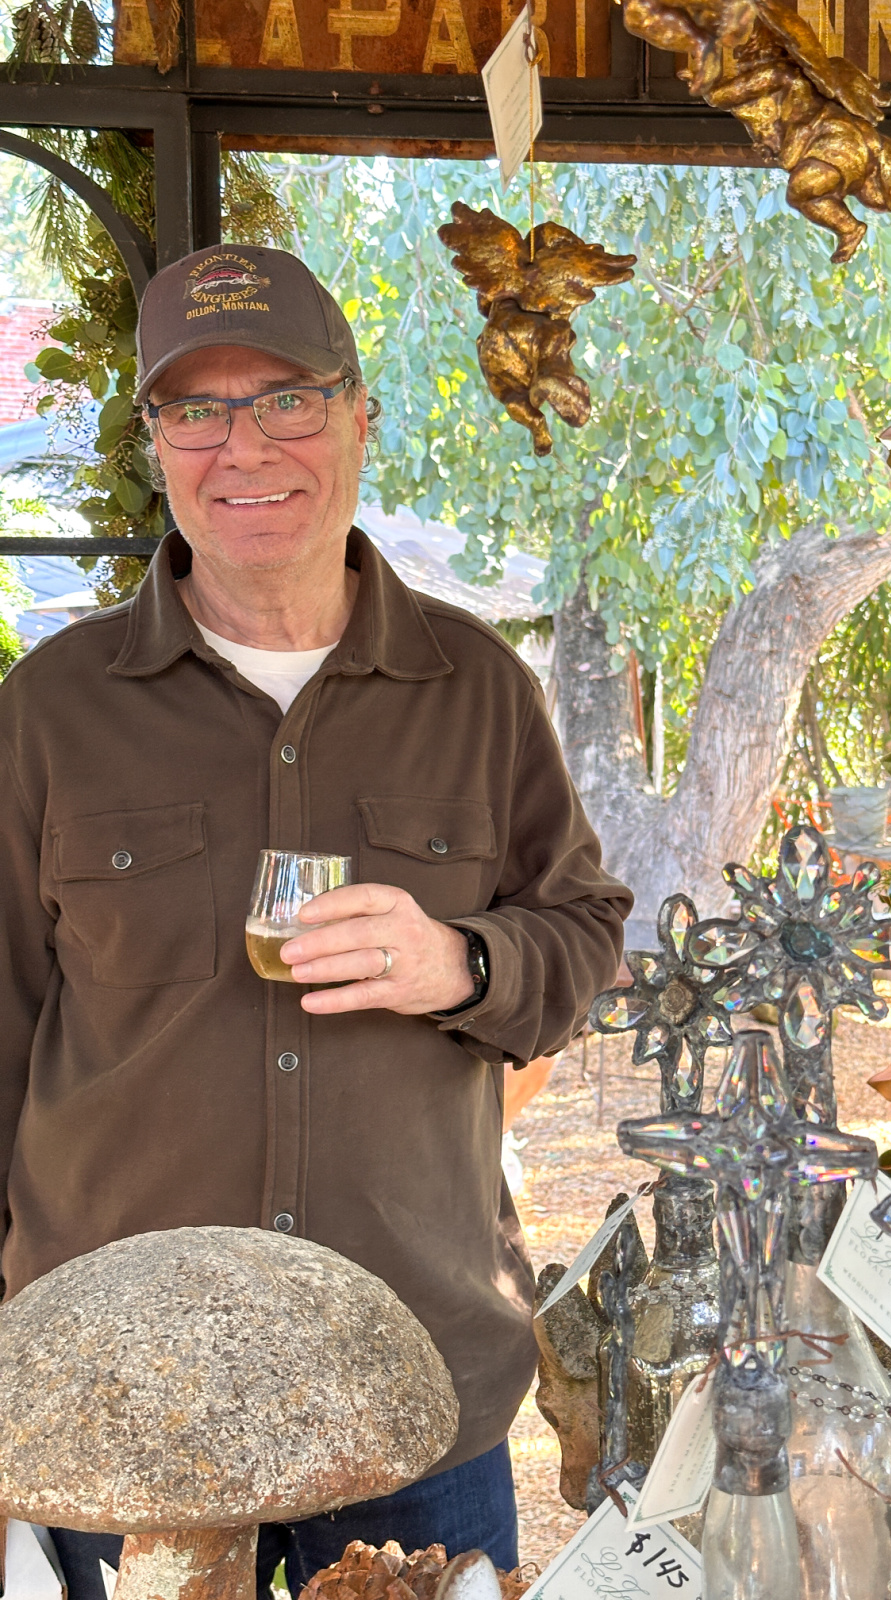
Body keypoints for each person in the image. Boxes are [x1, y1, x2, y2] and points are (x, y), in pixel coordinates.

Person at [0, 244, 631, 1597]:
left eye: (287, 399)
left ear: (358, 417)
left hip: (420, 1385)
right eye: (198, 409)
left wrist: (461, 960)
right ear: (156, 442)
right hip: (126, 1403)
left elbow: (581, 934)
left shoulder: (479, 690)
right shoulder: (50, 713)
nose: (245, 448)